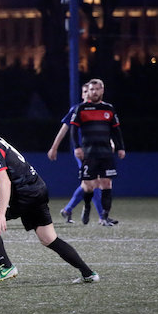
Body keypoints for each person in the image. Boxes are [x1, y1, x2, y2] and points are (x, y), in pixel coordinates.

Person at [0, 109, 99, 284]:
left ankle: (6, 267)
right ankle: (88, 273)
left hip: (23, 193)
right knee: (48, 238)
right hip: (38, 187)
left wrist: (1, 213)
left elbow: (4, 182)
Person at [70, 78, 126, 226]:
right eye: (92, 89)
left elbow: (116, 130)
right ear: (88, 91)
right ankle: (87, 206)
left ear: (102, 90)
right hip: (89, 153)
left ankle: (105, 216)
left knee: (107, 183)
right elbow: (73, 130)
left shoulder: (108, 109)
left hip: (106, 153)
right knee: (89, 185)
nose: (94, 92)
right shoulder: (81, 109)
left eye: (97, 89)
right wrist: (77, 147)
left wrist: (121, 147)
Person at [47, 82, 104, 225]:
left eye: (90, 91)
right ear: (82, 94)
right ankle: (102, 216)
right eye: (85, 91)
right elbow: (64, 130)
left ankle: (68, 209)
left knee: (87, 184)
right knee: (94, 182)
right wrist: (54, 147)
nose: (88, 94)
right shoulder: (77, 110)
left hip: (97, 151)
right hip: (82, 153)